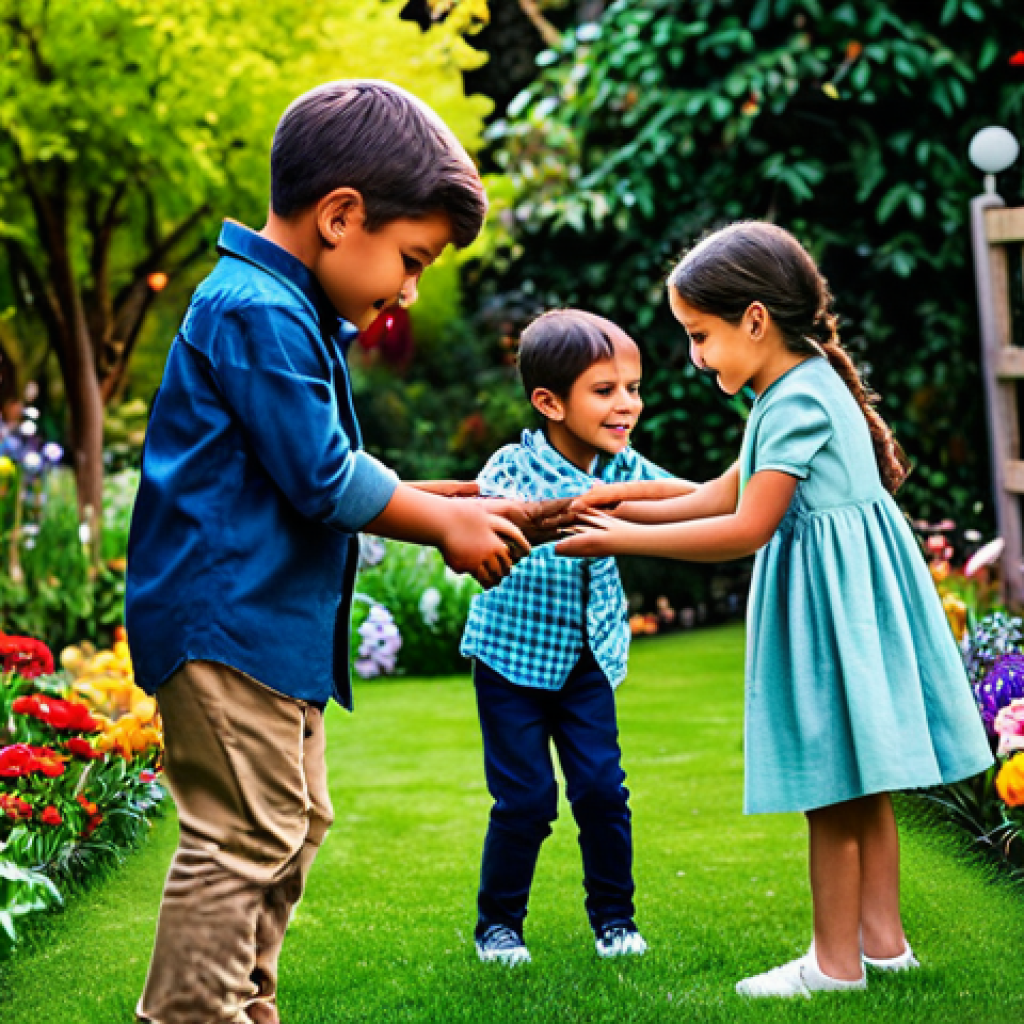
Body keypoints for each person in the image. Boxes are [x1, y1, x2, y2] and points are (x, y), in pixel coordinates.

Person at [126, 80, 548, 1024]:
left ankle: (241, 1004)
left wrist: (448, 497)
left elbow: (309, 468)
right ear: (341, 216)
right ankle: (194, 1014)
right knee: (246, 836)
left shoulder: (283, 309)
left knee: (291, 825)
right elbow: (322, 477)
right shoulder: (255, 310)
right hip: (225, 624)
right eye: (411, 260)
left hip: (265, 630)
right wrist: (441, 525)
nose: (407, 289)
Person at [556, 222, 994, 997]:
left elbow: (745, 526)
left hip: (830, 613)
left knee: (830, 787)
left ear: (754, 320)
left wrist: (622, 539)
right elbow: (714, 493)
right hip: (853, 606)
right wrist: (619, 496)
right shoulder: (806, 382)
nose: (694, 358)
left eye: (700, 336)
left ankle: (833, 966)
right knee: (865, 784)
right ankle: (884, 947)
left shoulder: (793, 404)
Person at [462, 309, 697, 966]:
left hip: (587, 660)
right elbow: (502, 519)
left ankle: (615, 921)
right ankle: (499, 926)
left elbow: (674, 497)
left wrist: (738, 496)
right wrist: (579, 510)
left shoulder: (621, 467)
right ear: (549, 402)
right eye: (606, 390)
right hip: (511, 662)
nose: (628, 405)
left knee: (600, 790)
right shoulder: (513, 467)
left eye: (634, 388)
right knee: (527, 798)